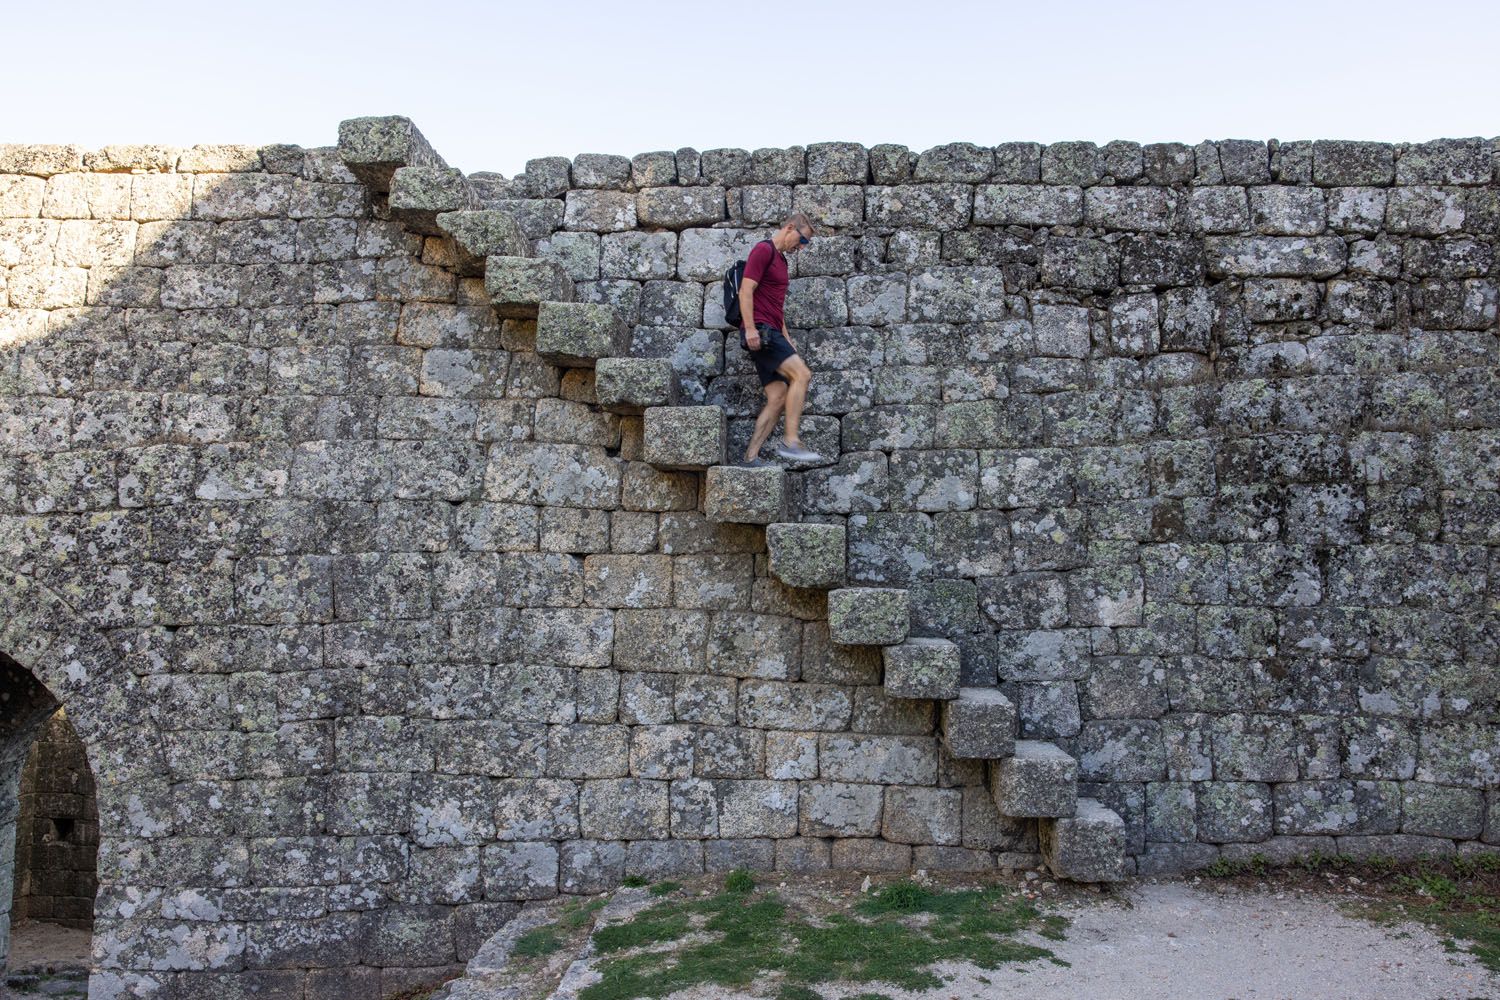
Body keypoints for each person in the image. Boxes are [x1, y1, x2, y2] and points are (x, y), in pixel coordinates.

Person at [738, 213, 822, 465]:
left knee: (778, 396)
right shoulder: (763, 250)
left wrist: (787, 339)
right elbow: (746, 290)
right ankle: (791, 441)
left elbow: (776, 307)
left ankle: (750, 457)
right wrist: (750, 329)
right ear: (790, 228)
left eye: (806, 244)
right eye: (802, 240)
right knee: (802, 375)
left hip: (772, 331)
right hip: (761, 330)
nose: (802, 247)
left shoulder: (781, 261)